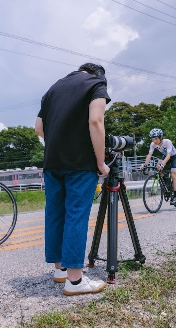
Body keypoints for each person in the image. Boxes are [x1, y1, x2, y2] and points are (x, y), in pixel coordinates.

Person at [35, 63, 110, 296]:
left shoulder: (53, 89)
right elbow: (96, 121)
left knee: (56, 212)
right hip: (80, 163)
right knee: (76, 214)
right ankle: (75, 281)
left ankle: (60, 271)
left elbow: (39, 128)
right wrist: (100, 162)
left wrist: (60, 142)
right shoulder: (96, 84)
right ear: (98, 74)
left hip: (52, 161)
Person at [140, 128, 176, 205]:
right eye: (152, 139)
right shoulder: (153, 144)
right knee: (158, 168)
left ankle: (175, 196)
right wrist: (145, 165)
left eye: (156, 139)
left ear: (160, 137)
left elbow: (168, 155)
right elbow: (149, 155)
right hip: (165, 157)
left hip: (173, 157)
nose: (154, 141)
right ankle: (166, 181)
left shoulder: (167, 142)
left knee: (173, 175)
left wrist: (163, 164)